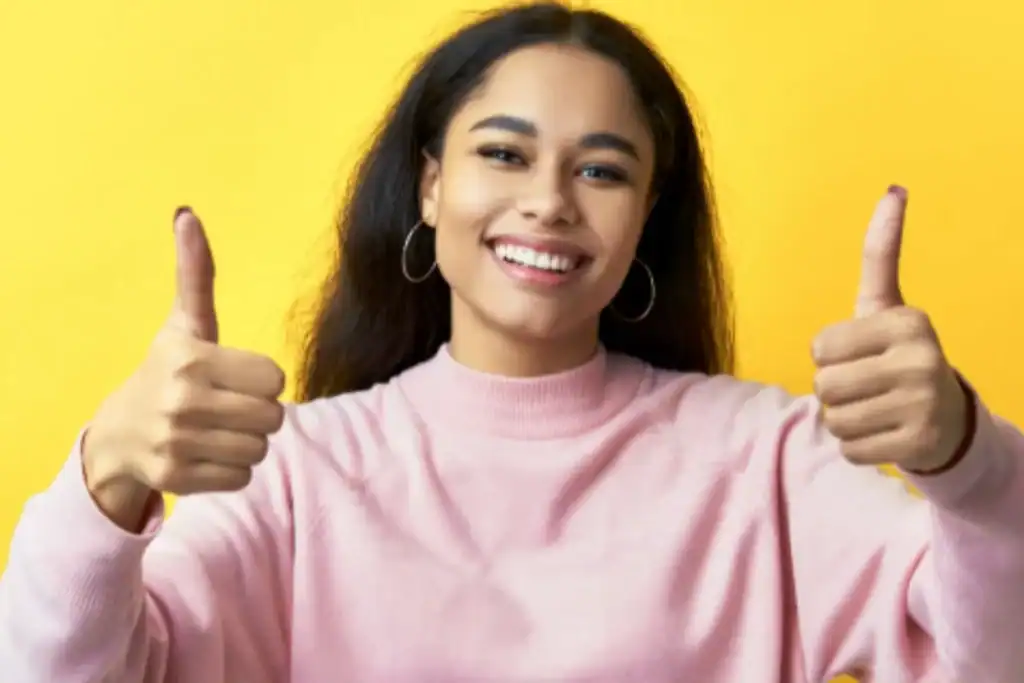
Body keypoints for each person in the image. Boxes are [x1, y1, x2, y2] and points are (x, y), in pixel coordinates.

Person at [1, 2, 1022, 681]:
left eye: (601, 170)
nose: (547, 202)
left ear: (644, 213)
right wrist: (107, 475)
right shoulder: (302, 474)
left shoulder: (765, 457)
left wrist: (967, 463)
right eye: (504, 153)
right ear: (433, 182)